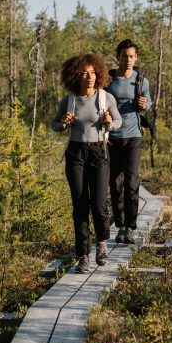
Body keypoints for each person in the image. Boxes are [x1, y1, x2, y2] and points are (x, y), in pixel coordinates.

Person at [51, 54, 122, 273]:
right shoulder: (69, 100)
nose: (89, 76)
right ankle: (82, 256)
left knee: (99, 205)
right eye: (84, 72)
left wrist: (110, 123)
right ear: (76, 76)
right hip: (75, 153)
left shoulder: (105, 98)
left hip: (99, 152)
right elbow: (54, 125)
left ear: (98, 74)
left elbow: (118, 121)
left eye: (93, 72)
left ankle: (101, 243)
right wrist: (63, 123)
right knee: (80, 206)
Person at [107, 39, 152, 244]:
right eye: (124, 56)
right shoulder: (108, 80)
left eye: (131, 56)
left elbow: (147, 101)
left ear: (136, 57)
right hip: (113, 137)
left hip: (134, 136)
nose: (128, 60)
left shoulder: (141, 80)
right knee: (115, 183)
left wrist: (144, 104)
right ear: (118, 57)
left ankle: (131, 227)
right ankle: (120, 226)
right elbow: (99, 102)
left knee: (132, 180)